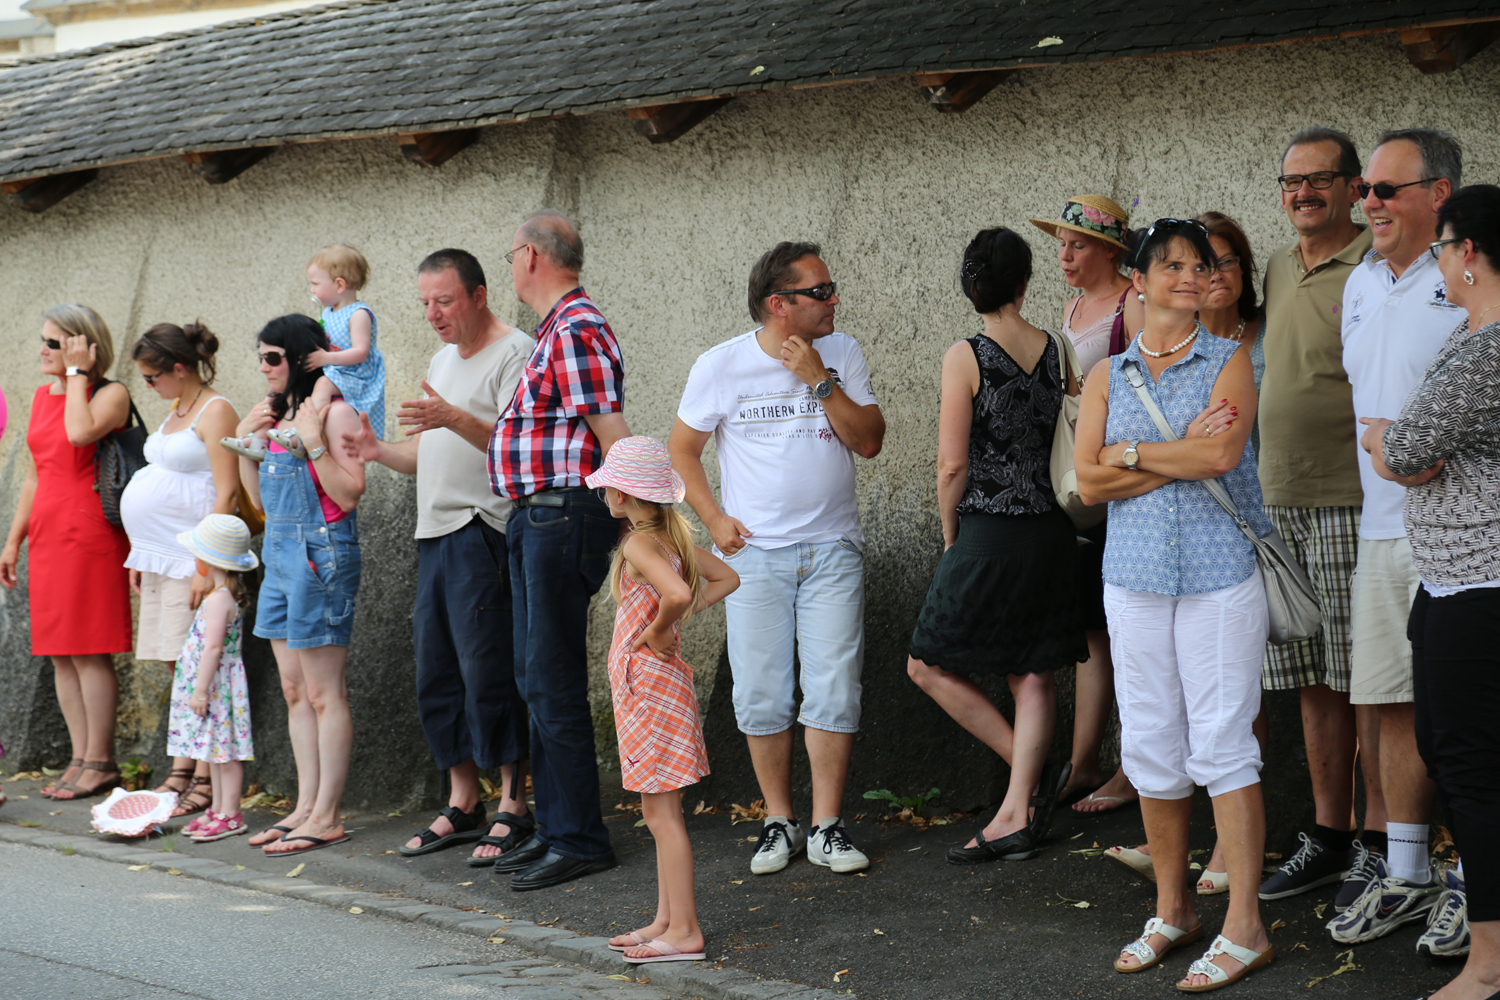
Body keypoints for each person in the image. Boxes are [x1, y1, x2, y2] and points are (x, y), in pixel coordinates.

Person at [1076, 219, 1274, 991]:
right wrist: (1162, 455)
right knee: (1152, 746)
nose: (1192, 276)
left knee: (1224, 744)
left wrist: (1125, 456)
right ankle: (1173, 909)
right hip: (1130, 579)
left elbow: (1220, 455)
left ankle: (1246, 925)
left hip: (1220, 579)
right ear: (1140, 280)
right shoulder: (1106, 376)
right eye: (1175, 265)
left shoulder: (1231, 362)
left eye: (1204, 265)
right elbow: (1089, 485)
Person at [671, 241, 884, 877]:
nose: (833, 299)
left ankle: (827, 826)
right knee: (762, 694)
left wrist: (818, 378)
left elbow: (869, 441)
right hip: (754, 557)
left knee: (835, 687)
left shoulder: (841, 353)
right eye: (819, 292)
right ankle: (778, 821)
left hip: (832, 549)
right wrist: (712, 519)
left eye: (831, 287)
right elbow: (682, 450)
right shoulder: (721, 365)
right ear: (778, 304)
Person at [342, 248, 535, 866]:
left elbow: (513, 447)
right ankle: (462, 800)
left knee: (488, 670)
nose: (433, 314)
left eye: (444, 301)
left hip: (485, 528)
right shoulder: (441, 359)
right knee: (437, 672)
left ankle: (513, 801)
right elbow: (425, 452)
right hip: (435, 532)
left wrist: (451, 416)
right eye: (425, 302)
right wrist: (376, 449)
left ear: (478, 295)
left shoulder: (516, 352)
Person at [905, 227, 1084, 863]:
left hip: (989, 531)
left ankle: (1024, 783)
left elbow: (951, 466)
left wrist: (951, 535)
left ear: (971, 281)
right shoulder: (1057, 349)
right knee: (1031, 674)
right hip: (1051, 533)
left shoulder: (967, 354)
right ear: (1025, 282)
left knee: (924, 663)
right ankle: (1020, 803)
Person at [1326, 127, 1464, 947]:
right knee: (1388, 702)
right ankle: (1408, 871)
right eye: (1364, 189)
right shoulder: (1360, 282)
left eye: (1385, 189)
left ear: (1438, 194)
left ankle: (1475, 875)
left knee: (1469, 711)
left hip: (1463, 534)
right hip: (1383, 529)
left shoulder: (1471, 280)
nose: (1366, 201)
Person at [1362, 183, 1500, 999]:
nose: (1438, 261)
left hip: (1475, 587)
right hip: (1459, 581)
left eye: (1443, 247)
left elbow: (1408, 444)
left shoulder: (1486, 349)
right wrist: (1410, 447)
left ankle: (1487, 966)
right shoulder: (1473, 339)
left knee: (1472, 770)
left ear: (1469, 254)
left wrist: (1385, 438)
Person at [1254, 126, 1384, 906]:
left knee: (1362, 677)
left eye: (1319, 180)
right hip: (1279, 499)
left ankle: (1379, 839)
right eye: (1291, 181)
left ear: (1352, 186)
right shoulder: (1275, 264)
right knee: (1309, 679)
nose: (1302, 193)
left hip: (1348, 497)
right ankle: (1329, 835)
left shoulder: (1376, 262)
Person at [488, 210, 629, 891]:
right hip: (538, 518)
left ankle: (578, 837)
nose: (509, 266)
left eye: (510, 254)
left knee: (552, 679)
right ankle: (555, 828)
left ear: (532, 257)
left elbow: (615, 435)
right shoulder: (560, 331)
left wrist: (638, 521)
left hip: (561, 515)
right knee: (534, 677)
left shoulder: (575, 329)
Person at [587, 436, 738, 965]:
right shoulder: (668, 543)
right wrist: (674, 620)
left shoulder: (638, 544)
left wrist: (658, 629)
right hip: (657, 687)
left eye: (610, 487)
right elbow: (725, 577)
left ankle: (686, 931)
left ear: (624, 495)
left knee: (663, 815)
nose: (606, 495)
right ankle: (667, 920)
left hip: (648, 688)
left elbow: (675, 595)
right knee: (658, 809)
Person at [236, 314, 366, 857]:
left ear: (298, 358)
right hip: (281, 553)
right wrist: (247, 443)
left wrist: (312, 444)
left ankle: (328, 815)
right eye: (260, 357)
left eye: (272, 357)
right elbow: (261, 506)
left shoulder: (332, 414)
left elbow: (352, 491)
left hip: (321, 553)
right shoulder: (278, 413)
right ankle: (304, 806)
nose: (264, 367)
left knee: (322, 691)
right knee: (294, 691)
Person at [1029, 194, 1143, 814]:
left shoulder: (1136, 302)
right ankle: (1083, 762)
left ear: (1109, 250)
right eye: (1062, 245)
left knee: (1127, 632)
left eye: (1077, 245)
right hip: (1083, 483)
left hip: (1121, 482)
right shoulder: (1074, 305)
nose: (1065, 256)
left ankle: (1131, 768)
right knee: (1094, 631)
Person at [0, 305, 132, 801]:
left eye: (54, 343)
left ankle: (101, 759)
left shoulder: (109, 393)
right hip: (50, 532)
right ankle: (80, 756)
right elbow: (35, 473)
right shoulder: (40, 396)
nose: (42, 349)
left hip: (90, 532)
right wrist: (14, 539)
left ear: (83, 346)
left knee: (90, 648)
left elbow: (79, 433)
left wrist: (78, 375)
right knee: (59, 653)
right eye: (44, 340)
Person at [123, 321, 241, 819]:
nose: (148, 388)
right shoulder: (177, 408)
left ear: (178, 367)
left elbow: (226, 491)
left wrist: (204, 567)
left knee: (199, 668)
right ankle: (185, 762)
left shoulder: (217, 411)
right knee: (180, 665)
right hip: (159, 556)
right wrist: (139, 550)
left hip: (191, 558)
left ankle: (205, 773)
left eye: (152, 378)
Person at [166, 514, 258, 843]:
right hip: (213, 685)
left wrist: (201, 690)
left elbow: (213, 647)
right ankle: (219, 808)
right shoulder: (219, 594)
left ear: (206, 559)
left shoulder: (219, 599)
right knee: (215, 751)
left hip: (216, 685)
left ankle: (230, 813)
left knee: (226, 751)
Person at [271, 244, 388, 458]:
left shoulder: (358, 314)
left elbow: (361, 352)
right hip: (338, 371)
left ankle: (304, 434)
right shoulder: (328, 312)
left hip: (358, 375)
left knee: (323, 384)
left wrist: (325, 358)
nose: (311, 290)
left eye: (315, 284)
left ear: (339, 285)